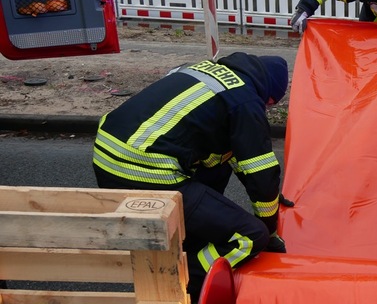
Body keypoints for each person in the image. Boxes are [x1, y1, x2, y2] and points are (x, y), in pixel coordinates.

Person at [91, 52, 290, 301]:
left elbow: (237, 156)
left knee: (219, 164)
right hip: (144, 170)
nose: (268, 109)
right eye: (271, 104)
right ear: (268, 94)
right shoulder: (246, 101)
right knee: (250, 236)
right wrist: (270, 230)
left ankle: (192, 240)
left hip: (108, 154)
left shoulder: (202, 71)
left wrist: (266, 188)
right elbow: (261, 171)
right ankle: (181, 279)